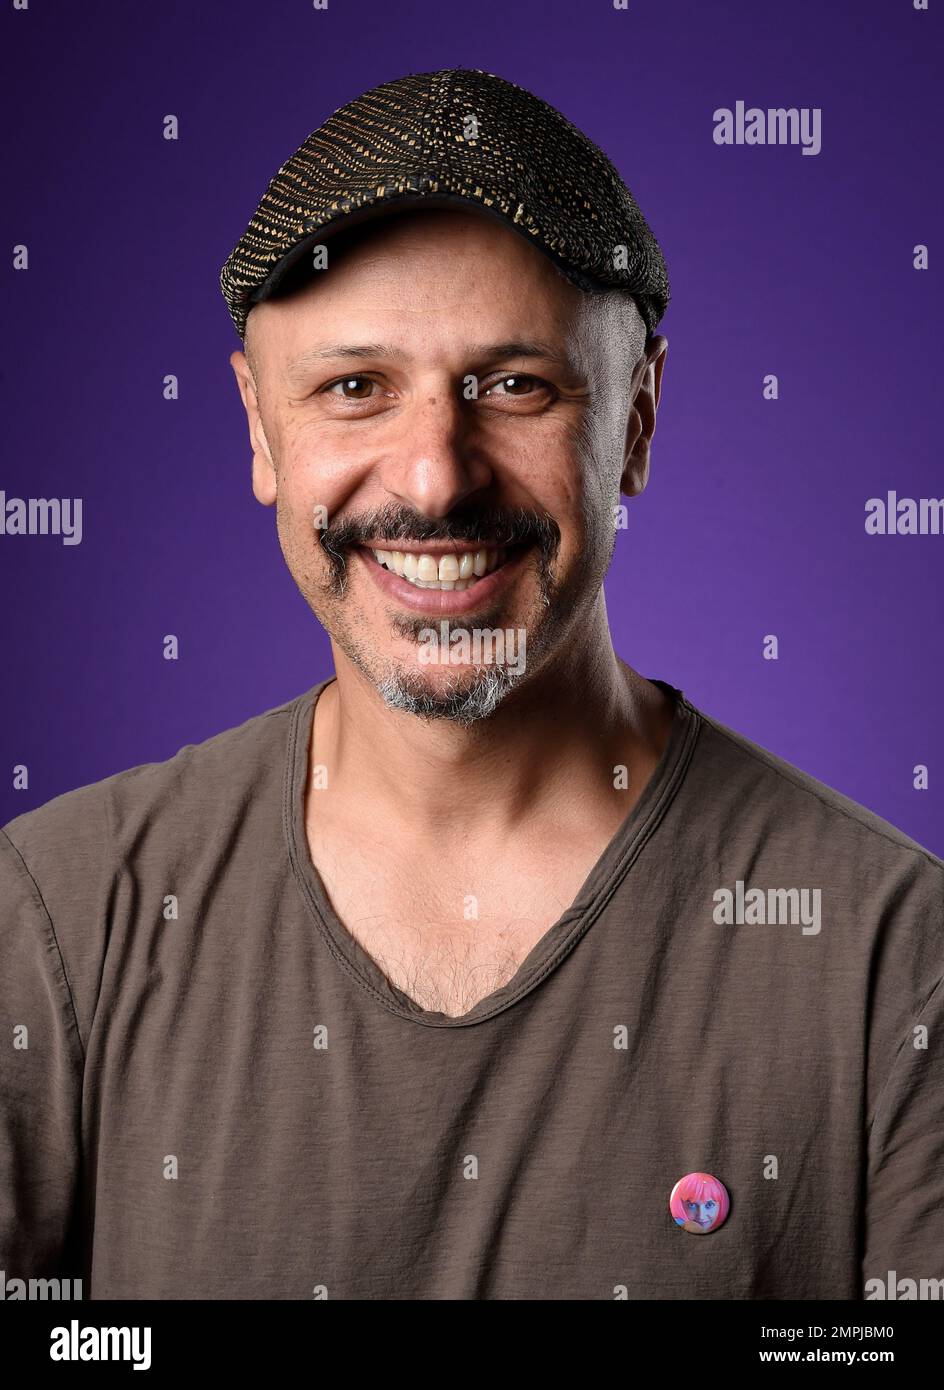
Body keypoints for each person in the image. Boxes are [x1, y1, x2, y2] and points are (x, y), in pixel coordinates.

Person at [2, 67, 942, 1301]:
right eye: (353, 388)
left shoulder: (892, 955)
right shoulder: (59, 917)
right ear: (255, 427)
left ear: (638, 420)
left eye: (513, 386)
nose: (435, 479)